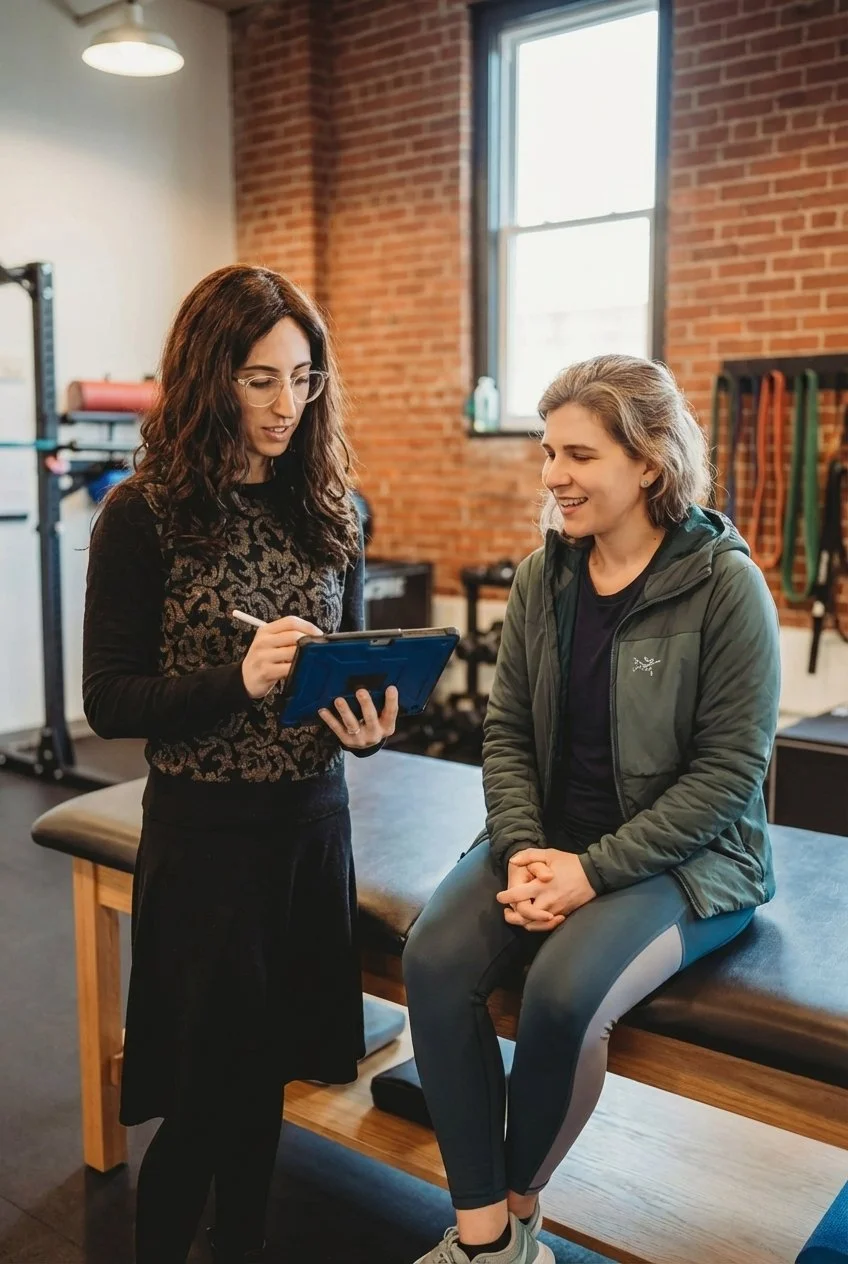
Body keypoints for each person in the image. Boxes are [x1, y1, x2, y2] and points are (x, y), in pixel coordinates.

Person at [403, 354, 780, 1264]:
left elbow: (729, 776)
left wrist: (591, 873)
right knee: (432, 957)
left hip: (684, 861)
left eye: (579, 455)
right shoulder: (545, 577)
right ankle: (489, 1238)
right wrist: (529, 849)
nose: (553, 477)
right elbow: (505, 736)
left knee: (562, 993)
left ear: (649, 463)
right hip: (549, 841)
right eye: (547, 453)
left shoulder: (727, 587)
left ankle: (518, 1205)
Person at [82, 264, 398, 1264]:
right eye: (258, 377)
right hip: (206, 841)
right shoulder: (141, 517)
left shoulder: (334, 509)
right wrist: (240, 677)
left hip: (310, 829)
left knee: (262, 1089)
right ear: (208, 375)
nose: (282, 404)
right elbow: (111, 700)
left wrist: (364, 718)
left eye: (301, 378)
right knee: (207, 1101)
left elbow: (343, 661)